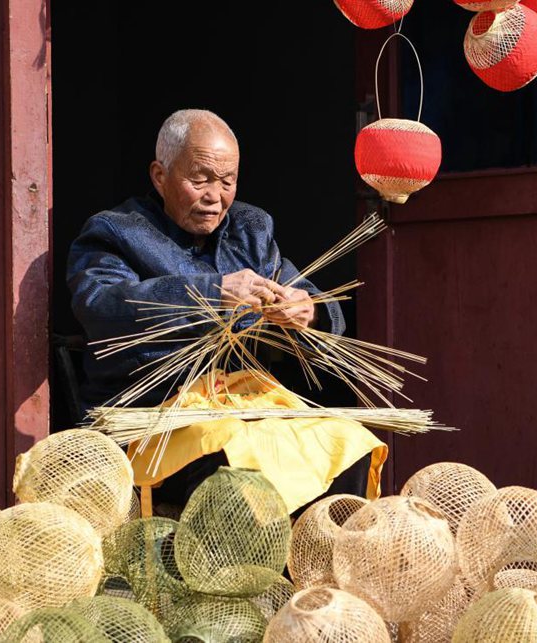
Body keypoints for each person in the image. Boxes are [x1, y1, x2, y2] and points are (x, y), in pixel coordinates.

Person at [68, 110, 383, 511]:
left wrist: (310, 312)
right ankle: (235, 571)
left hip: (247, 403)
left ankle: (319, 562)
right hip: (157, 414)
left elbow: (307, 293)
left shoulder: (251, 229)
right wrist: (212, 294)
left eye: (227, 181)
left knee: (347, 441)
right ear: (159, 175)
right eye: (199, 179)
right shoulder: (116, 233)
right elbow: (101, 305)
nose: (214, 195)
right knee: (231, 456)